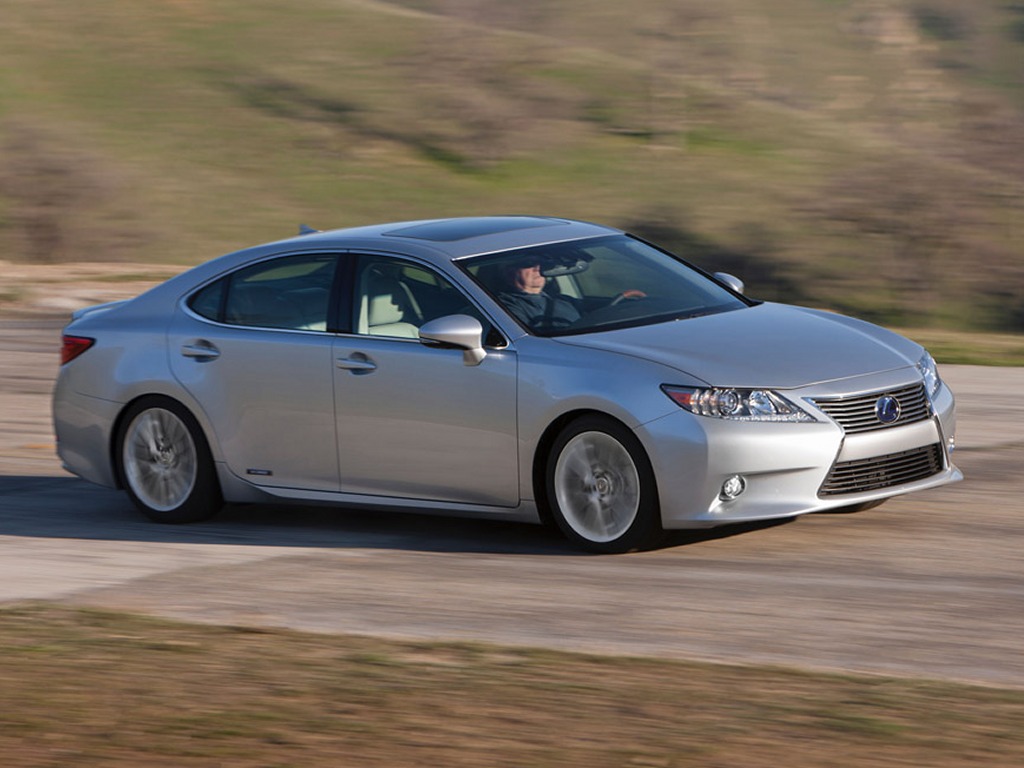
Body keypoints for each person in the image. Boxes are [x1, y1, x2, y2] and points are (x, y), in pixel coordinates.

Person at [496, 261, 581, 330]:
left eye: (541, 264)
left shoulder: (564, 299)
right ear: (509, 273)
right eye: (528, 264)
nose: (537, 269)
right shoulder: (504, 306)